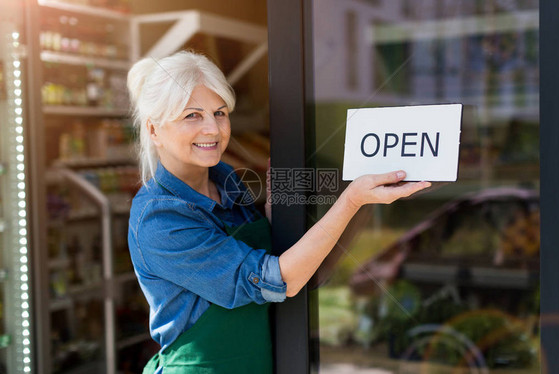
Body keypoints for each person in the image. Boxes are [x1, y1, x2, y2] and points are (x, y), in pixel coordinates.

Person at [126, 50, 431, 374]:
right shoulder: (159, 220)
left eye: (219, 113)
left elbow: (267, 253)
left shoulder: (225, 179)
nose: (213, 130)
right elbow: (274, 280)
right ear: (154, 130)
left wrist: (276, 212)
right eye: (192, 116)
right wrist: (351, 199)